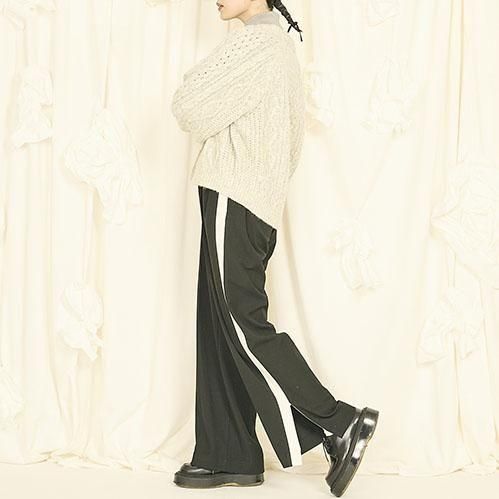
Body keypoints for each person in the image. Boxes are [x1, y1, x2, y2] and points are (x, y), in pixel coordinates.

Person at [170, 0, 379, 496]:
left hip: (235, 197)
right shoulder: (275, 47)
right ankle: (229, 453)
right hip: (251, 203)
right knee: (221, 327)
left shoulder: (258, 44)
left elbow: (188, 107)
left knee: (243, 326)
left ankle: (340, 422)